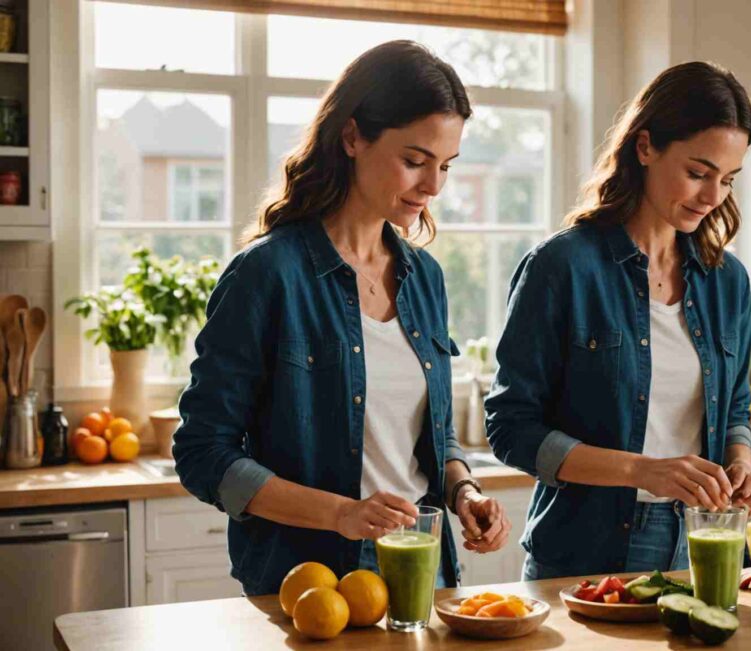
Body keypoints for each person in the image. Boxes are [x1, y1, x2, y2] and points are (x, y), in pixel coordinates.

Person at [173, 40, 510, 596]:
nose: (433, 187)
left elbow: (435, 434)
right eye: (414, 161)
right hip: (309, 583)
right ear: (352, 136)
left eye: (445, 166)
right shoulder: (267, 274)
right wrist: (340, 514)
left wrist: (465, 494)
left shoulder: (425, 278)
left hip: (424, 569)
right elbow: (202, 452)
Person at [485, 61, 751, 580]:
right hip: (585, 552)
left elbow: (737, 406)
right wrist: (643, 472)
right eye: (698, 173)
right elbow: (509, 426)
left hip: (709, 543)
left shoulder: (728, 282)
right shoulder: (562, 266)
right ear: (645, 147)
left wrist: (740, 460)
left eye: (727, 179)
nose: (713, 196)